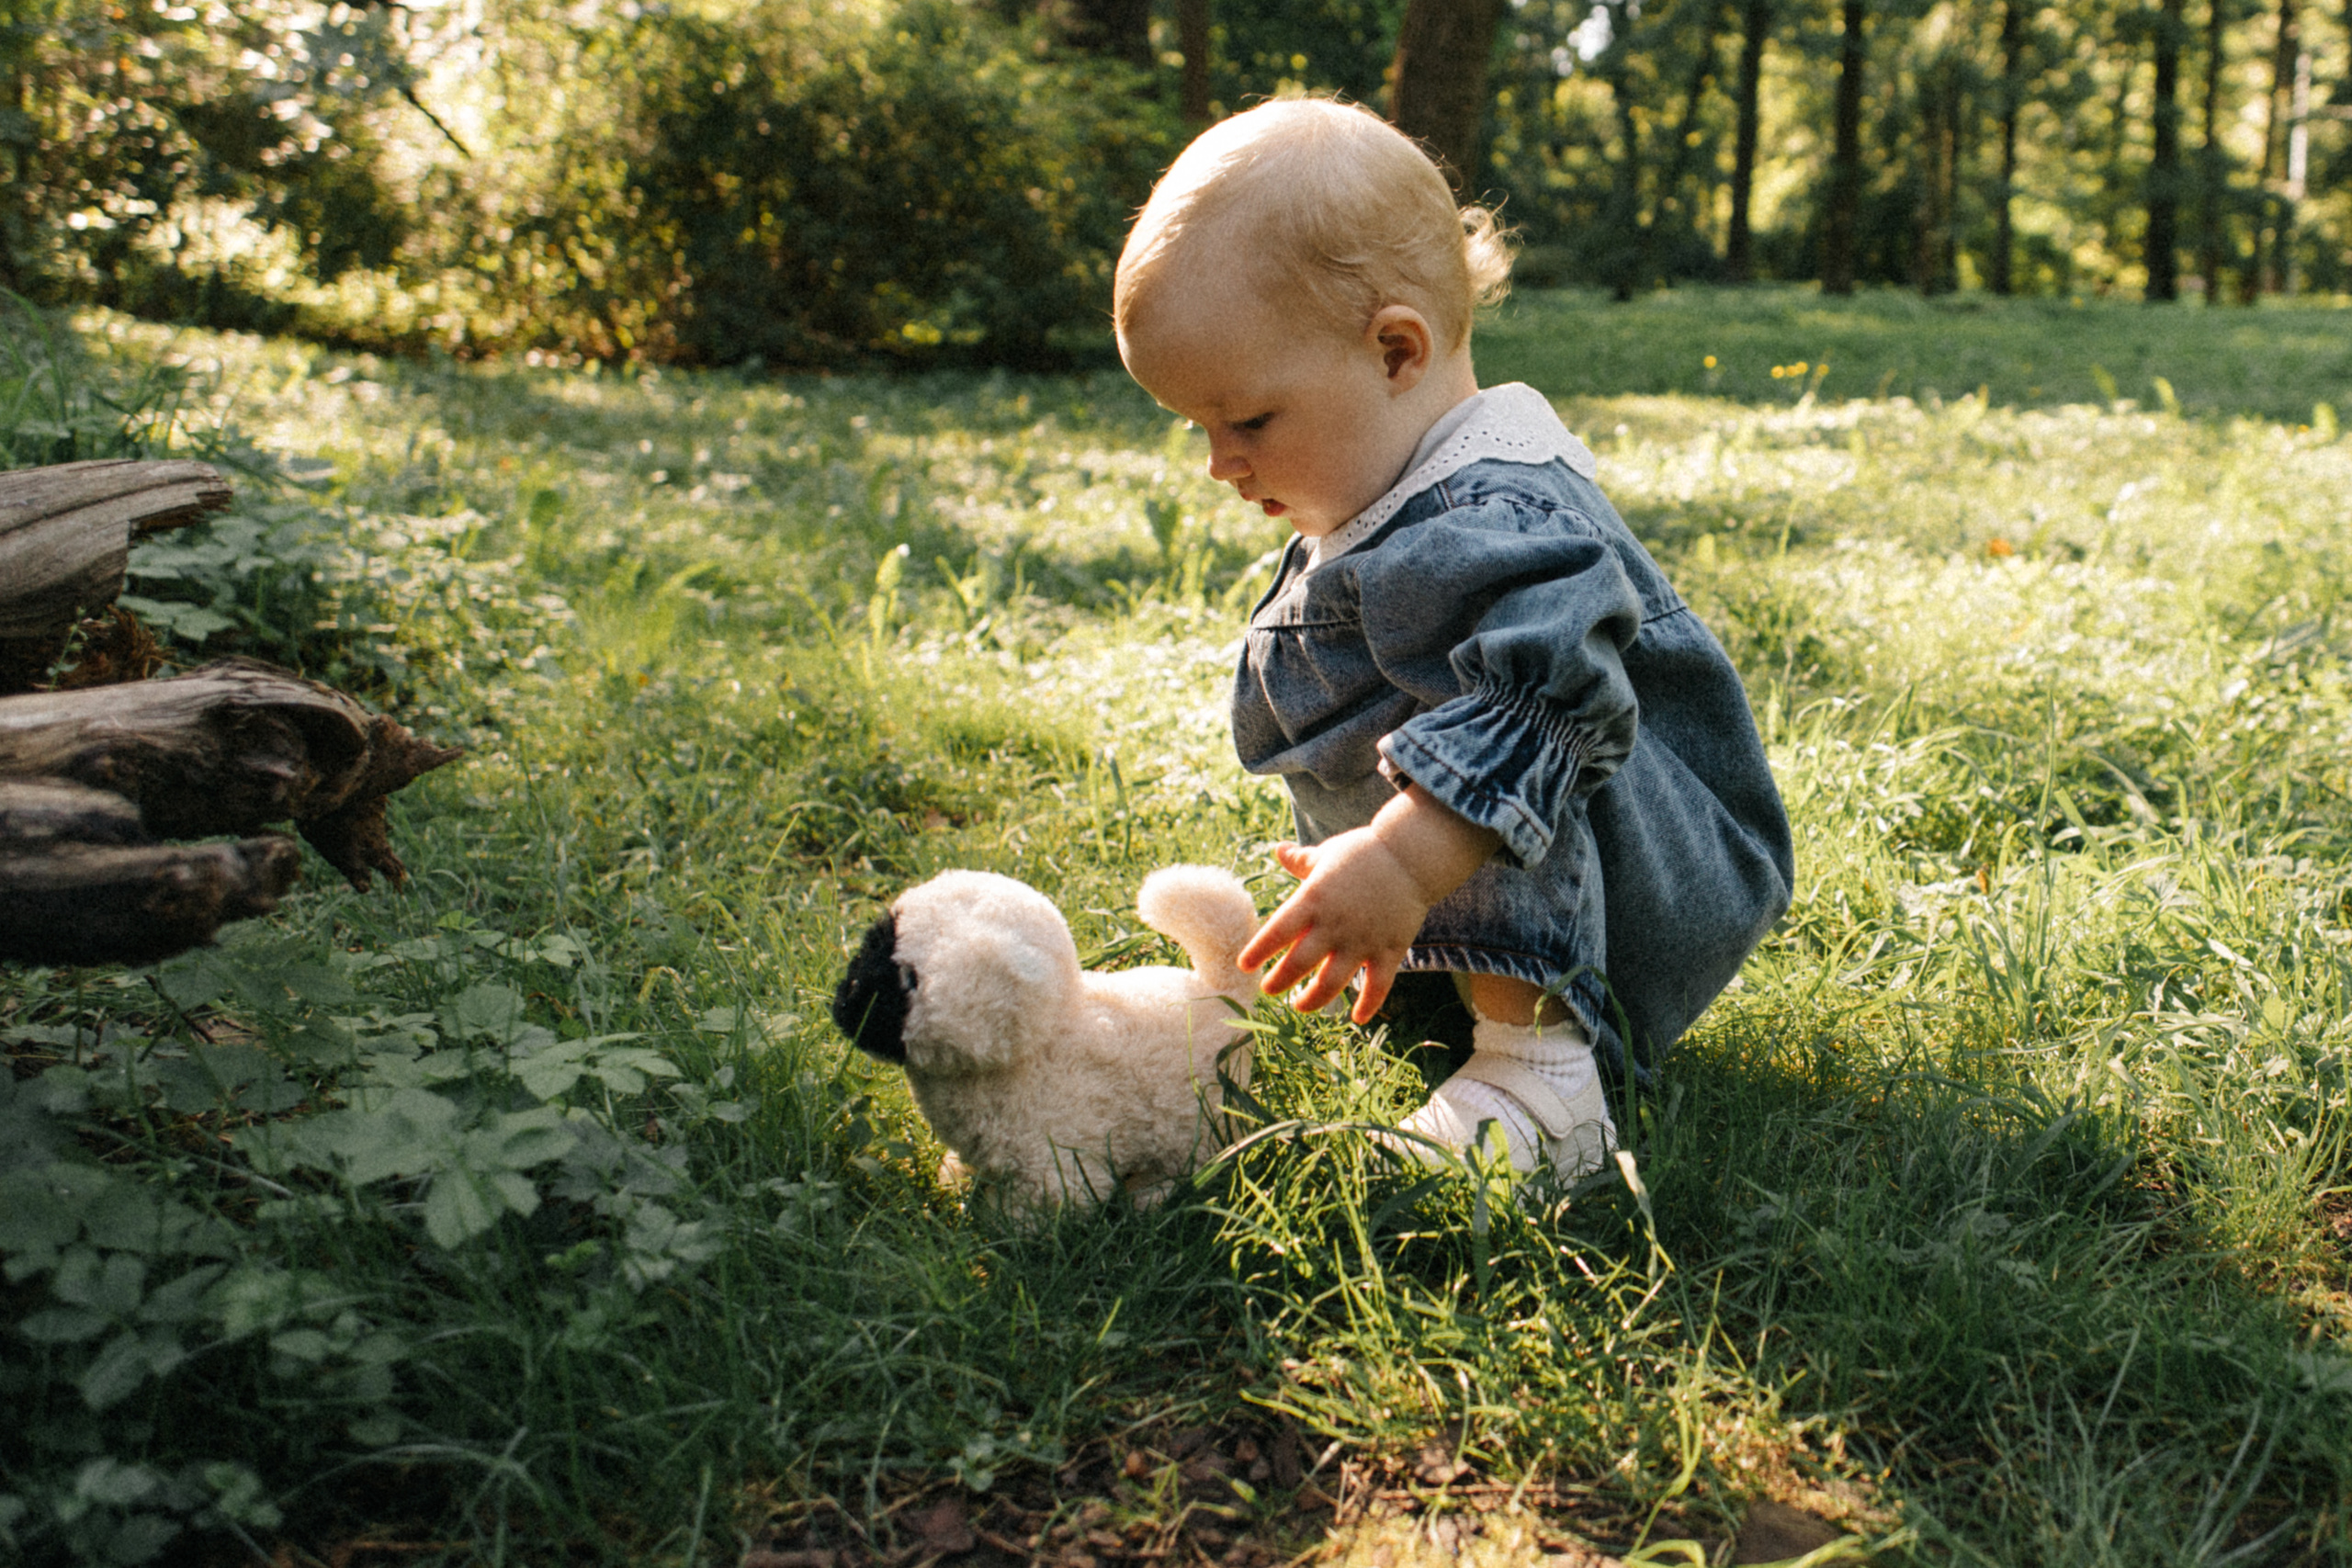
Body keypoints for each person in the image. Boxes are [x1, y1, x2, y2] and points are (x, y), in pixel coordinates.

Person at [1110, 98, 1794, 1184]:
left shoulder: (1494, 516)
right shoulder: (1394, 495)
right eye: (1197, 427)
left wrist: (1396, 861)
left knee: (1472, 701)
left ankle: (1544, 1082)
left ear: (1395, 351)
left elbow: (1549, 704)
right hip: (1525, 891)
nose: (1218, 463)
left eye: (1247, 421)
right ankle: (1478, 1007)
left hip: (1655, 882)